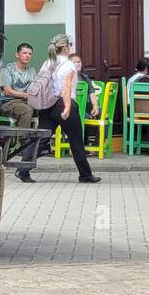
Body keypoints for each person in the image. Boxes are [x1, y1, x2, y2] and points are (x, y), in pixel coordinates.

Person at [36, 33, 101, 184]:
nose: (70, 47)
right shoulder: (68, 65)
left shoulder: (47, 63)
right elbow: (66, 88)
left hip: (47, 105)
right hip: (64, 105)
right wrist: (67, 107)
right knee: (76, 140)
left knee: (41, 138)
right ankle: (85, 175)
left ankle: (23, 168)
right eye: (70, 45)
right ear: (65, 47)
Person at [0, 42, 36, 182]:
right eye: (25, 53)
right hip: (8, 102)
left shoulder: (31, 71)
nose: (27, 56)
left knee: (43, 108)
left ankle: (42, 144)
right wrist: (27, 96)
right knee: (27, 110)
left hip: (25, 101)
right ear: (17, 55)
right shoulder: (8, 69)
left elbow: (33, 89)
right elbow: (7, 90)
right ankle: (23, 142)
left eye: (30, 54)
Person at [67, 52, 101, 118]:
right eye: (74, 62)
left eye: (79, 62)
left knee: (100, 112)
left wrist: (95, 105)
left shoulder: (84, 78)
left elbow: (92, 93)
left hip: (87, 106)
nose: (77, 64)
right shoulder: (67, 78)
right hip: (75, 107)